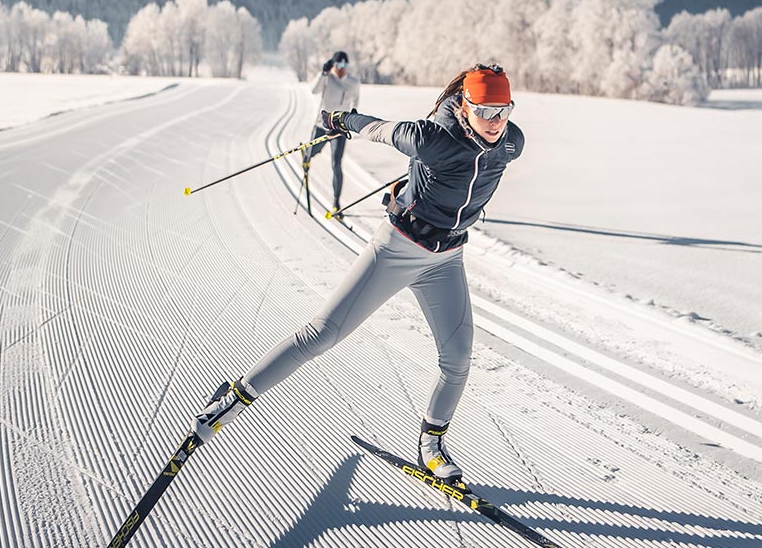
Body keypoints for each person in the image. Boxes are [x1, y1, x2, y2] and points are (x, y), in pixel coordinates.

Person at [191, 63, 523, 482]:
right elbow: (380, 129)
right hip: (398, 248)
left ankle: (431, 444)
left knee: (457, 359)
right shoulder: (432, 138)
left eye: (504, 110)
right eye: (485, 111)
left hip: (446, 259)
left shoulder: (512, 143)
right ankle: (234, 398)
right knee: (323, 333)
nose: (496, 122)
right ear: (463, 106)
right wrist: (340, 120)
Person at [307, 51, 360, 212]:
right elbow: (313, 90)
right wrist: (322, 73)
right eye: (338, 65)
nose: (341, 69)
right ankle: (307, 157)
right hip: (322, 125)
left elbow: (356, 100)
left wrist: (354, 114)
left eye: (344, 65)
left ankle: (336, 202)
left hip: (339, 129)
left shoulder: (353, 82)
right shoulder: (327, 79)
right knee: (312, 152)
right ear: (334, 65)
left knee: (336, 164)